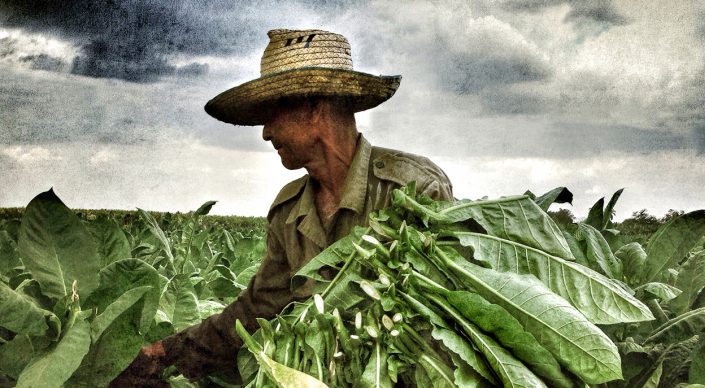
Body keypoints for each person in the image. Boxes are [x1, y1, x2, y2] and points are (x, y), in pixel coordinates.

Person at [112, 28, 452, 386]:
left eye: (272, 113)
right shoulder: (289, 211)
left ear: (313, 107)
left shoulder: (413, 191)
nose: (265, 132)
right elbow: (257, 309)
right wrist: (166, 353)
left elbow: (439, 334)